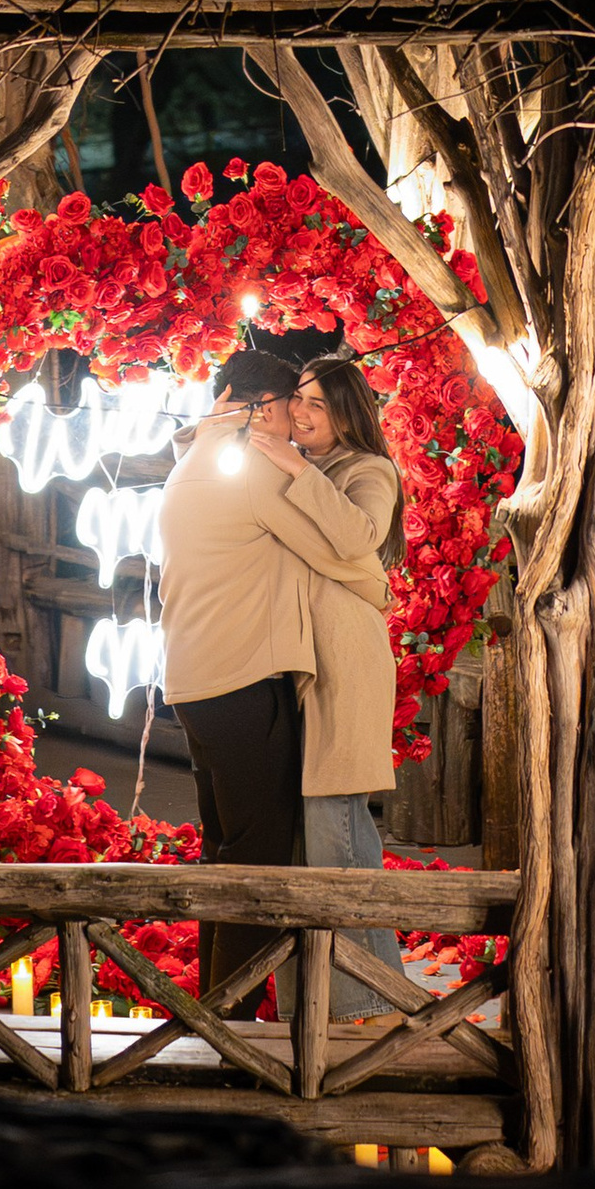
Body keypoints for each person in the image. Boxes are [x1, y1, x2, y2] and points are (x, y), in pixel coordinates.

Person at [237, 352, 409, 1012]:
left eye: (316, 401)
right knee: (308, 838)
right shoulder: (288, 465)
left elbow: (360, 535)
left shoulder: (368, 469)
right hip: (295, 661)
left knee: (335, 827)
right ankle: (322, 1003)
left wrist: (297, 468)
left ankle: (371, 1006)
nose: (301, 411)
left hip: (344, 661)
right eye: (297, 399)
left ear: (346, 411)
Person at [153, 337, 315, 998]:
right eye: (292, 405)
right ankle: (229, 1022)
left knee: (224, 851)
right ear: (259, 407)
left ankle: (213, 1013)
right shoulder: (253, 469)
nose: (299, 420)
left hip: (196, 682)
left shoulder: (192, 459)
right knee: (256, 864)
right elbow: (338, 543)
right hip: (243, 682)